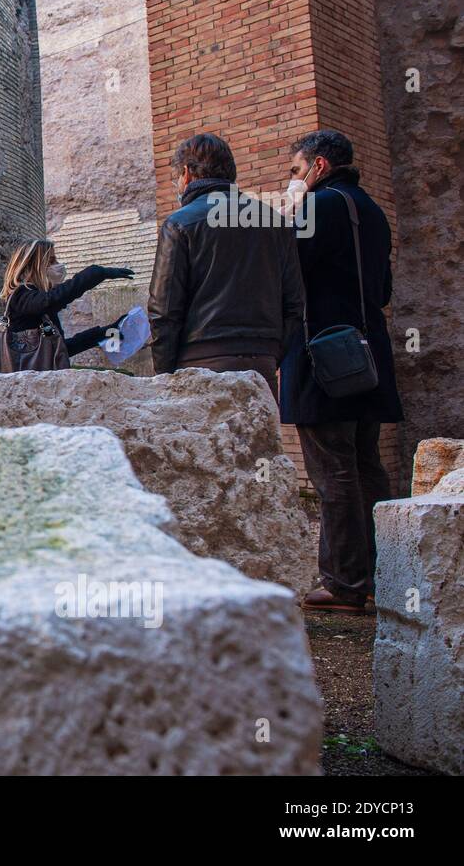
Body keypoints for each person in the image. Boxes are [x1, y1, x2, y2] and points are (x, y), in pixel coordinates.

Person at [280, 129, 403, 614]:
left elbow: (290, 272)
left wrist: (288, 217)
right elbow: (384, 289)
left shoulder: (320, 205)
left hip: (324, 358)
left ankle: (344, 583)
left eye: (295, 170)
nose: (292, 179)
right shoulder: (371, 211)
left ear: (319, 167)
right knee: (367, 465)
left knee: (333, 471)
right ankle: (385, 573)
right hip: (367, 357)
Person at [148, 133, 305, 398]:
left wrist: (166, 375)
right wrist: (272, 352)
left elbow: (163, 311)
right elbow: (294, 304)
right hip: (261, 364)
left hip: (201, 363)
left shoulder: (179, 224)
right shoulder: (275, 223)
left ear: (186, 173)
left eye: (176, 178)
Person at [0, 240, 133, 375]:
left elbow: (59, 351)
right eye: (52, 261)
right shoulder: (22, 297)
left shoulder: (40, 311)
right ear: (36, 266)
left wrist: (106, 333)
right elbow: (53, 299)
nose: (58, 266)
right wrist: (98, 272)